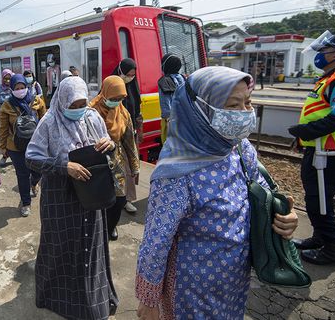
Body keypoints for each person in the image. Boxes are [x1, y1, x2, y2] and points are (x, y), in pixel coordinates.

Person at [135, 66, 299, 319]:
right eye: (233, 106)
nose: (246, 113)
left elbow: (262, 193)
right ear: (199, 110)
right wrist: (148, 300)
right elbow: (157, 241)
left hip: (236, 281)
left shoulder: (239, 148)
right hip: (191, 290)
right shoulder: (176, 171)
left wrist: (284, 218)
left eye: (248, 102)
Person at [25, 76, 118, 320]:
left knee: (90, 246)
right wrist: (65, 166)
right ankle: (55, 296)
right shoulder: (49, 122)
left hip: (91, 191)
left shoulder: (93, 117)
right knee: (59, 245)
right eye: (73, 105)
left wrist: (109, 145)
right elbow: (31, 158)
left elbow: (108, 149)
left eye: (81, 104)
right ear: (62, 100)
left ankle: (92, 300)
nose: (78, 110)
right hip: (60, 195)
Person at [288, 34, 335, 265]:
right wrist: (304, 138)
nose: (320, 55)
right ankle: (319, 239)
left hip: (330, 153)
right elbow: (321, 112)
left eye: (325, 50)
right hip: (320, 150)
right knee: (316, 200)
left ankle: (332, 249)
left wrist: (305, 131)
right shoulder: (329, 79)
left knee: (320, 201)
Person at [90, 75, 140, 240]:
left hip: (117, 161)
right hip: (96, 162)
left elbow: (129, 142)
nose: (117, 101)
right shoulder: (91, 111)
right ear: (105, 93)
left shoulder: (123, 113)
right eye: (114, 98)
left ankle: (111, 226)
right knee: (99, 200)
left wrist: (135, 167)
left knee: (119, 200)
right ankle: (98, 228)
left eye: (121, 98)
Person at [0, 74, 46, 216]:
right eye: (17, 88)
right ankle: (26, 203)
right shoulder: (7, 104)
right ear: (12, 89)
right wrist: (3, 147)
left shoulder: (36, 100)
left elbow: (45, 121)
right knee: (22, 174)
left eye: (22, 87)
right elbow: (3, 127)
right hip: (15, 146)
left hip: (35, 144)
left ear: (27, 87)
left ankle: (34, 183)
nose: (20, 90)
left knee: (38, 171)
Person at [112, 58, 142, 213]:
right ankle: (121, 199)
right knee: (121, 167)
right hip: (115, 135)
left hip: (131, 133)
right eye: (128, 74)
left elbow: (137, 107)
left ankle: (126, 199)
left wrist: (138, 126)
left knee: (131, 165)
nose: (130, 77)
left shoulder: (132, 86)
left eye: (132, 75)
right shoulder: (112, 85)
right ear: (120, 71)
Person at [157, 53, 185, 144]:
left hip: (171, 119)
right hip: (185, 117)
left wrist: (168, 120)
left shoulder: (164, 81)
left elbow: (165, 102)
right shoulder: (183, 78)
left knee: (169, 145)